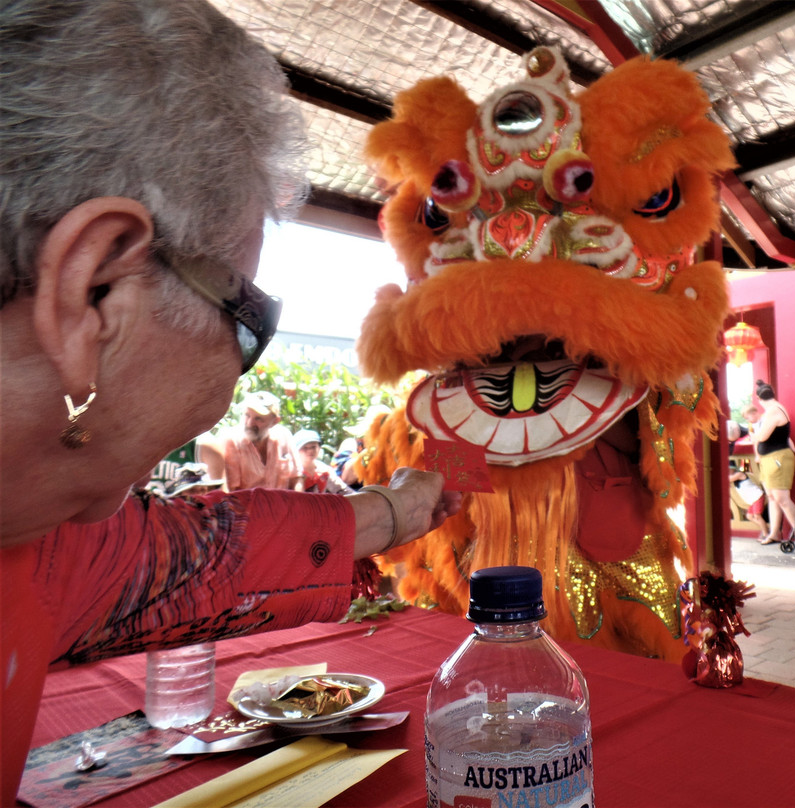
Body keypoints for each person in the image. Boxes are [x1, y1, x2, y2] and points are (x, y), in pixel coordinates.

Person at [0, 2, 462, 802]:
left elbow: (184, 557)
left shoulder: (33, 534)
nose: (242, 371)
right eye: (248, 316)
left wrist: (394, 513)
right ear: (95, 288)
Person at [199, 391, 300, 491]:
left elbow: (297, 478)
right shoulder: (231, 441)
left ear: (275, 421)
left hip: (281, 501)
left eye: (258, 419)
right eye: (247, 415)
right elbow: (229, 492)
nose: (250, 423)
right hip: (243, 502)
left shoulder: (284, 436)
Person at [751, 380, 795, 545]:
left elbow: (762, 436)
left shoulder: (773, 411)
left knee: (782, 498)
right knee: (772, 497)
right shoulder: (772, 410)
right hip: (768, 458)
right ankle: (774, 533)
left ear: (759, 399)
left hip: (777, 458)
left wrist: (753, 435)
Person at [293, 429, 351, 494]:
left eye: (313, 447)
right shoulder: (292, 472)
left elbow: (343, 490)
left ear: (319, 448)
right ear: (296, 450)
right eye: (305, 448)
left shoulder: (324, 470)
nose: (310, 451)